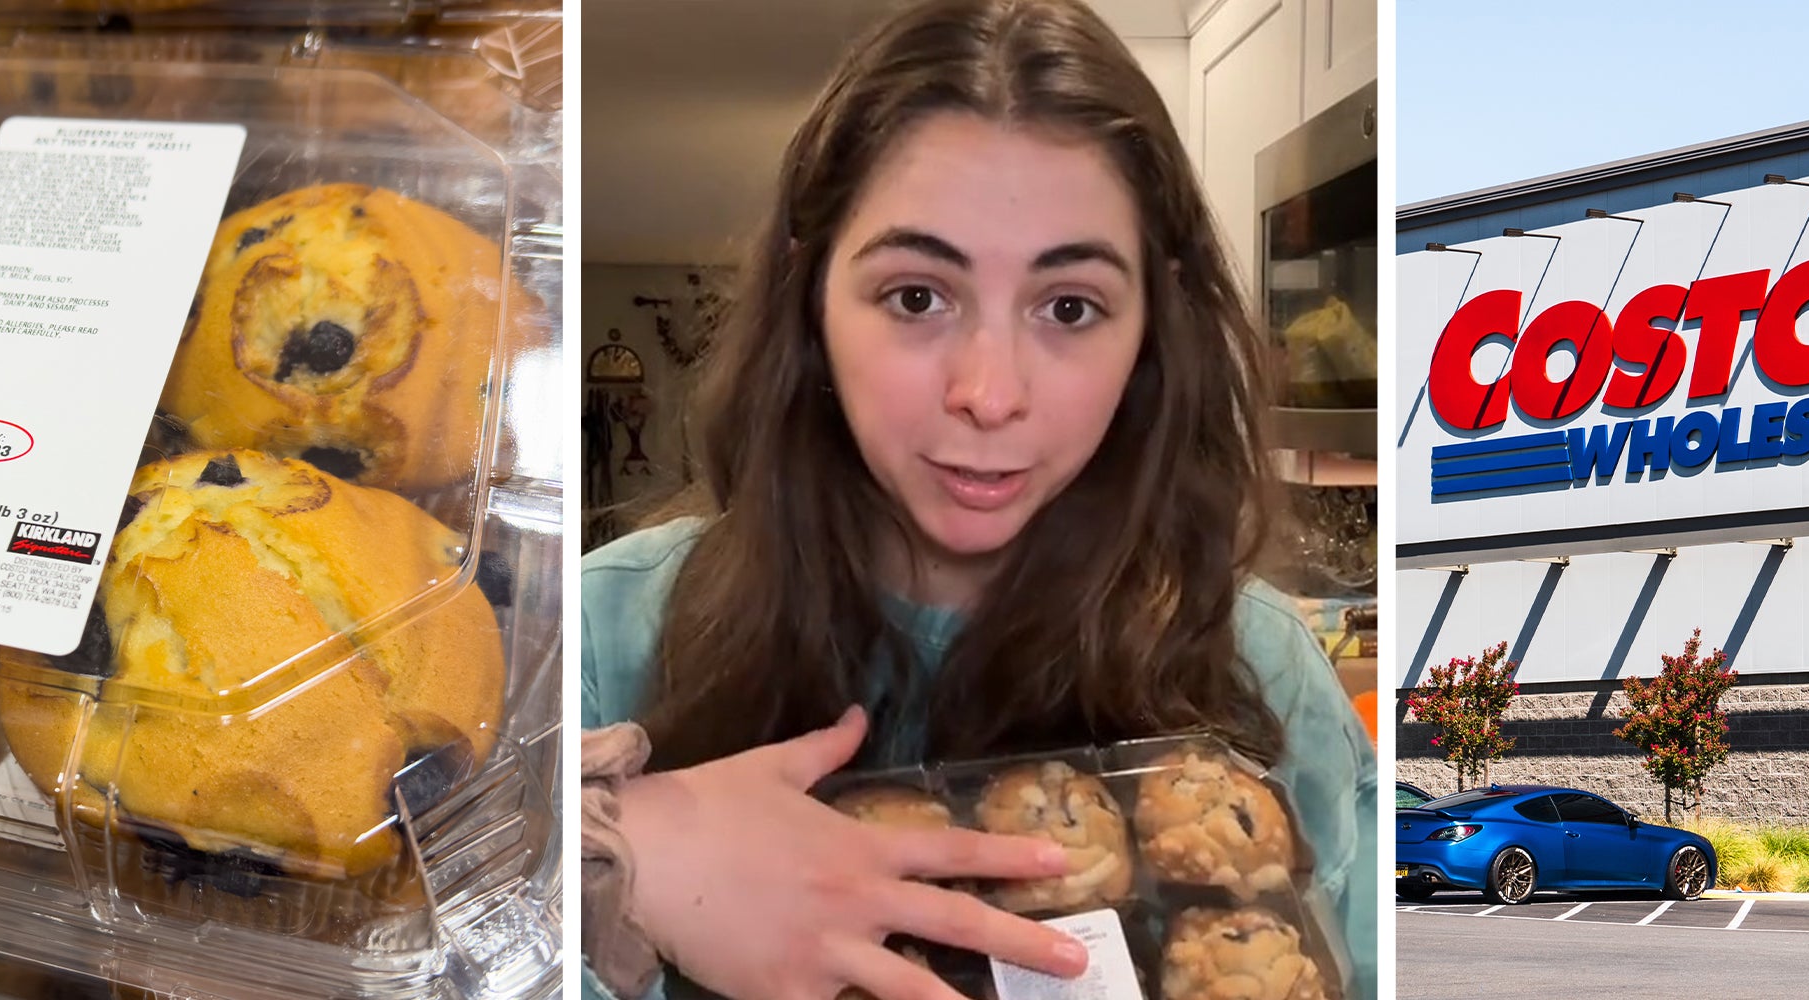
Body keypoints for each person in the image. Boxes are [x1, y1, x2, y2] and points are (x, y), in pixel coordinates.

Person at [579, 1, 1377, 998]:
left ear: (1149, 328)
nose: (989, 394)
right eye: (916, 295)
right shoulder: (599, 637)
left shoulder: (1259, 664)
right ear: (809, 296)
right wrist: (617, 854)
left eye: (1069, 307)